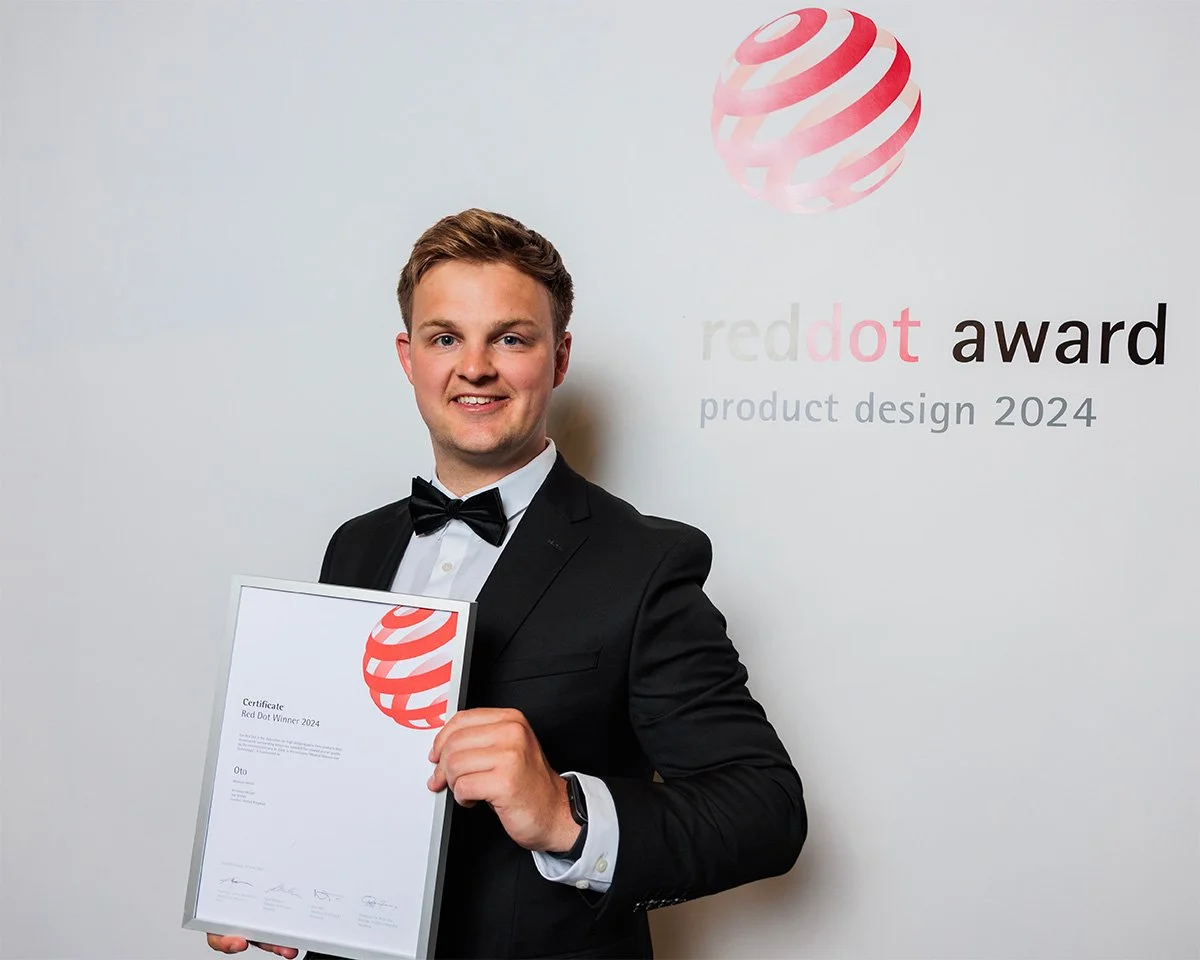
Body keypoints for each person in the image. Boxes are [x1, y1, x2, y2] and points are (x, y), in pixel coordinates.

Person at [207, 209, 806, 959]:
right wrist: (275, 887)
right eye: (446, 337)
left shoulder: (646, 563)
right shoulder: (356, 546)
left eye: (512, 338)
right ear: (408, 356)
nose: (476, 367)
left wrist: (563, 812)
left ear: (557, 359)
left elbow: (766, 811)